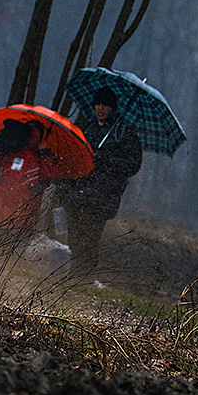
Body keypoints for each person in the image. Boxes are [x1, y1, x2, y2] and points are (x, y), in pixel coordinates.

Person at [58, 86, 142, 268]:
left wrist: (104, 159)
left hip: (102, 197)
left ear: (112, 108)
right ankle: (74, 273)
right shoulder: (87, 129)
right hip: (78, 193)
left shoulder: (124, 133)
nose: (101, 108)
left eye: (105, 105)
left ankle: (84, 274)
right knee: (74, 236)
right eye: (98, 104)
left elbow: (132, 164)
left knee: (90, 238)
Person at [0, 119, 62, 234]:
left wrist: (46, 152)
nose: (32, 133)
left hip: (20, 223)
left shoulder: (41, 159)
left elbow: (52, 175)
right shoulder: (4, 151)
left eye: (36, 131)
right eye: (29, 130)